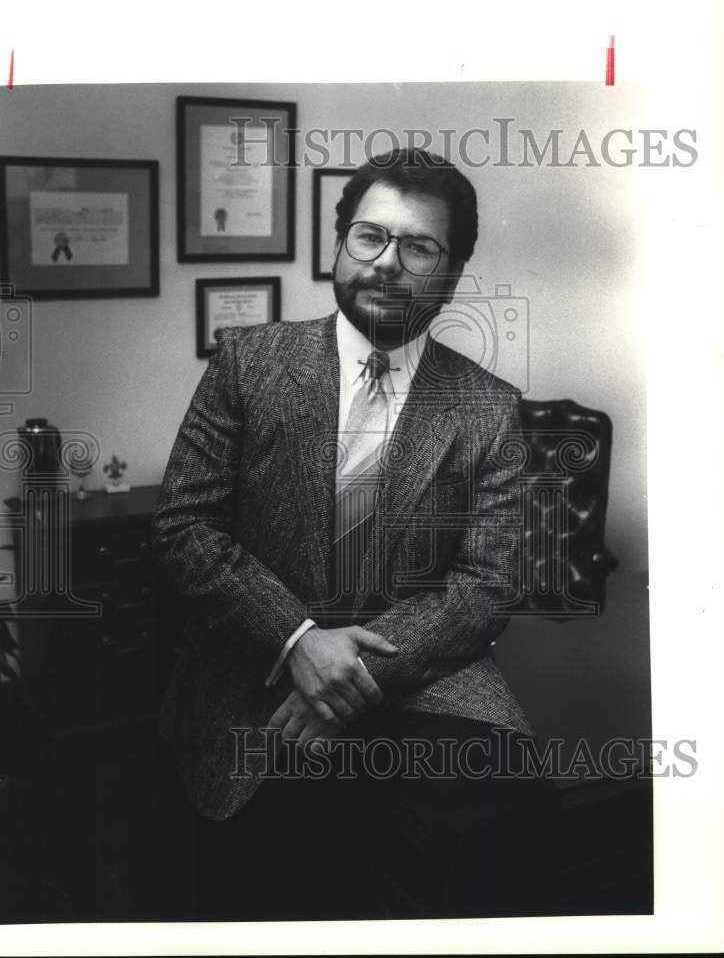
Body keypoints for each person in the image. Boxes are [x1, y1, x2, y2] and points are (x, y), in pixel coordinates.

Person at [152, 147, 557, 921]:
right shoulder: (247, 364)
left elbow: (485, 588)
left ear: (453, 268)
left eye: (418, 246)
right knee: (279, 861)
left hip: (421, 667)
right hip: (255, 669)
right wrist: (298, 639)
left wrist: (350, 677)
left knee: (508, 819)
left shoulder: (489, 408)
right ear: (337, 247)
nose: (387, 264)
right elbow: (183, 527)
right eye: (369, 237)